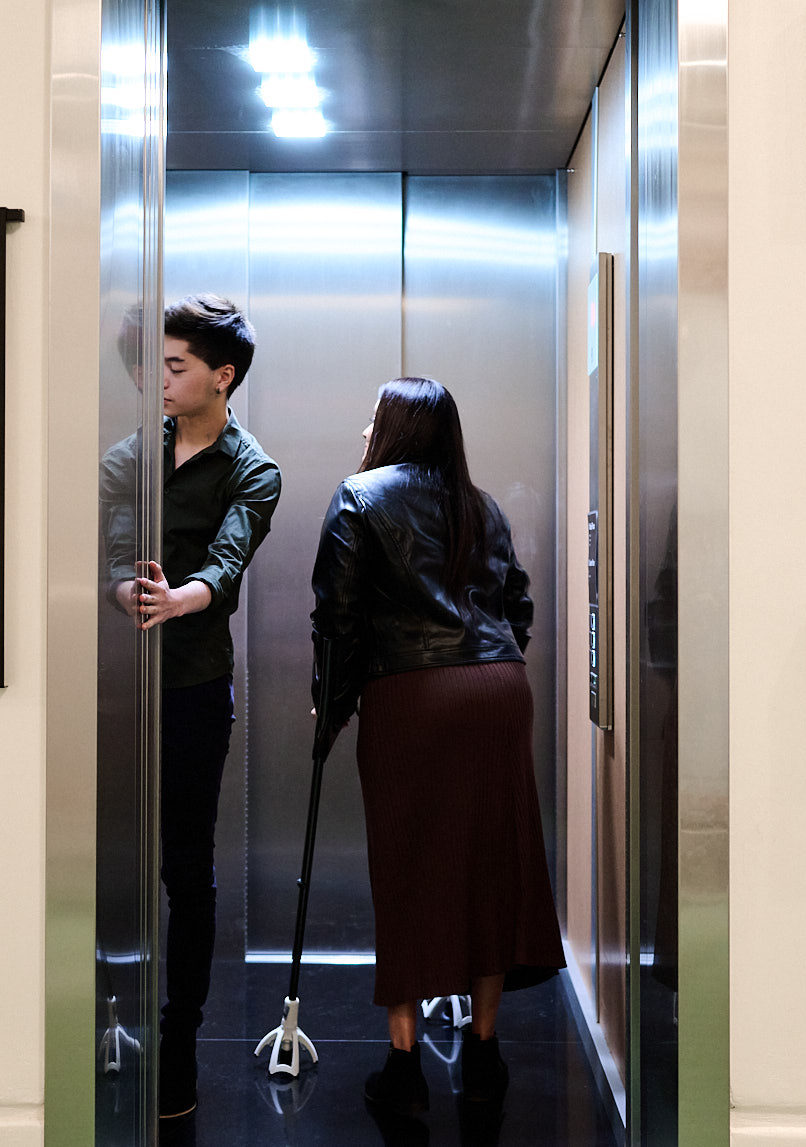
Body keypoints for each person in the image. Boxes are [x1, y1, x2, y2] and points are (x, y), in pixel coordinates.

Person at [309, 376, 564, 1120]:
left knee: (409, 867)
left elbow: (339, 617)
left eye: (373, 417)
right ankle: (484, 1052)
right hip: (497, 690)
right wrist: (485, 666)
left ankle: (404, 1063)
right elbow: (517, 602)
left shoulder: (359, 496)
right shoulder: (481, 504)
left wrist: (333, 707)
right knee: (492, 865)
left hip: (413, 694)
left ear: (394, 427)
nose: (364, 429)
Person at [102, 294, 281, 1120]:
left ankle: (180, 1040)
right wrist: (121, 586)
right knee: (100, 855)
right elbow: (109, 540)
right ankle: (105, 1018)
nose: (161, 380)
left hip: (195, 689)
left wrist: (187, 597)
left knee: (187, 868)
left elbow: (231, 553)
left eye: (176, 368)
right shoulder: (131, 455)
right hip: (112, 686)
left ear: (222, 376)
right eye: (158, 365)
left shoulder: (255, 468)